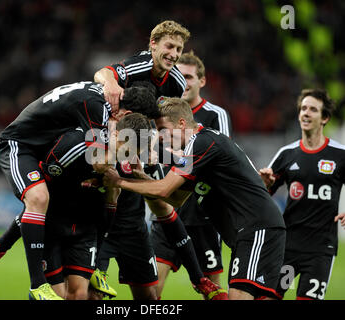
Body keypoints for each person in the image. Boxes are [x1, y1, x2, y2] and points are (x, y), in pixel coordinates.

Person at [0, 81, 157, 299]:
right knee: (40, 197)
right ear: (126, 113)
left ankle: (94, 266)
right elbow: (98, 162)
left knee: (107, 192)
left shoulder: (104, 107)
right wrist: (123, 165)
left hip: (56, 165)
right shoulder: (97, 111)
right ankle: (27, 273)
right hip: (21, 144)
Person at [103, 97, 286, 300]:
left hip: (256, 228)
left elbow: (164, 189)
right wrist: (141, 177)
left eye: (163, 129)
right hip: (250, 233)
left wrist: (118, 181)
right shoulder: (198, 149)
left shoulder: (202, 142)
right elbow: (175, 199)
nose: (161, 137)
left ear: (182, 123)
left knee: (238, 296)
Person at [40, 113, 154, 299]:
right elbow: (39, 192)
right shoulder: (79, 145)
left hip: (87, 229)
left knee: (81, 294)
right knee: (55, 294)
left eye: (133, 152)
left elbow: (111, 205)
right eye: (127, 151)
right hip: (56, 223)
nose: (129, 157)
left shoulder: (115, 165)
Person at [149, 51, 232, 298]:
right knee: (151, 291)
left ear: (202, 81)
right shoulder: (162, 111)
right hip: (167, 215)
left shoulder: (216, 115)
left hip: (203, 216)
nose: (184, 82)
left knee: (212, 290)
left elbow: (222, 160)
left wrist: (177, 157)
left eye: (189, 76)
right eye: (179, 76)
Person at [259, 88, 345, 300]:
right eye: (303, 108)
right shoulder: (287, 154)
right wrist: (265, 184)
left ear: (324, 118)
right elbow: (262, 193)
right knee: (268, 297)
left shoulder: (339, 155)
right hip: (288, 247)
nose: (306, 113)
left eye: (313, 109)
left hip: (319, 251)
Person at [94, 20, 190, 112]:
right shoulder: (141, 65)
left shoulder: (178, 83)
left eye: (179, 49)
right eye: (169, 46)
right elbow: (102, 73)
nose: (174, 54)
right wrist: (111, 84)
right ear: (153, 43)